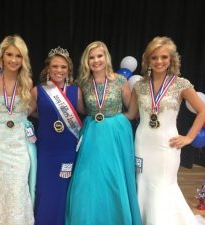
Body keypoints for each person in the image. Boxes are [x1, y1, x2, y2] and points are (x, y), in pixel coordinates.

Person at [125, 36, 205, 225]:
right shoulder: (140, 85)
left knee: (162, 186)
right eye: (154, 57)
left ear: (171, 59)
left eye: (164, 57)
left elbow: (202, 110)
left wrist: (190, 137)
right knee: (143, 185)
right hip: (142, 144)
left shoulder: (181, 84)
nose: (159, 61)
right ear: (148, 60)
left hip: (166, 146)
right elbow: (130, 115)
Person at [65, 41, 142, 225]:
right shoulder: (82, 82)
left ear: (106, 57)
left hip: (115, 133)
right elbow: (82, 110)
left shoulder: (120, 80)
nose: (96, 60)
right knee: (88, 178)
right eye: (91, 57)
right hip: (92, 132)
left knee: (113, 176)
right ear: (87, 61)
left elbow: (132, 112)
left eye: (99, 56)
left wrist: (117, 122)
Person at [0, 35, 36, 225]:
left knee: (19, 185)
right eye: (9, 55)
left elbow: (33, 109)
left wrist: (21, 118)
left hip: (20, 144)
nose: (13, 60)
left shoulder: (27, 82)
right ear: (2, 56)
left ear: (23, 59)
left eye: (18, 56)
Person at [30, 46, 84, 225]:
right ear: (48, 68)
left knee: (63, 190)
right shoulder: (37, 90)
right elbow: (24, 113)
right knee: (45, 189)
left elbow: (87, 113)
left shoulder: (76, 91)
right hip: (46, 151)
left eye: (63, 67)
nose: (59, 70)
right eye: (55, 66)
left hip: (67, 150)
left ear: (68, 70)